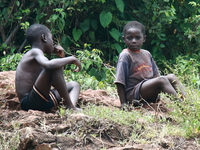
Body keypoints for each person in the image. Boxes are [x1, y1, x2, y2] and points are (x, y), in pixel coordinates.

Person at [114, 21, 186, 109]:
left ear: (144, 39)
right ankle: (183, 107)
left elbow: (156, 76)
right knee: (162, 80)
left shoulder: (147, 54)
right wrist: (124, 103)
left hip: (147, 90)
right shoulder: (125, 55)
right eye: (129, 38)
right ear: (124, 39)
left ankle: (187, 102)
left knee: (172, 77)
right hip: (134, 94)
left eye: (137, 38)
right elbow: (120, 82)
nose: (133, 41)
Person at [15, 23, 81, 111]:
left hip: (42, 100)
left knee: (74, 85)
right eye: (52, 39)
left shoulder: (41, 58)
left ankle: (70, 106)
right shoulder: (34, 52)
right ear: (44, 38)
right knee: (53, 66)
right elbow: (50, 66)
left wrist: (62, 57)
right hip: (29, 102)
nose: (53, 43)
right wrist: (72, 59)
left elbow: (56, 82)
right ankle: (70, 107)